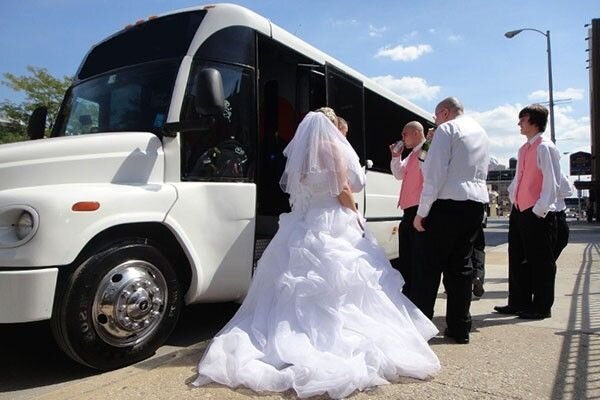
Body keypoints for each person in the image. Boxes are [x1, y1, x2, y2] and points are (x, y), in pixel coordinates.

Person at [193, 111, 440, 399]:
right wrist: (355, 214)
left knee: (293, 282)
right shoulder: (334, 148)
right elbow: (342, 188)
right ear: (332, 126)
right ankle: (330, 337)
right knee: (343, 282)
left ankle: (289, 335)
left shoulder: (302, 152)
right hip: (333, 219)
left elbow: (296, 192)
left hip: (304, 218)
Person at [412, 97, 490, 344]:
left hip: (448, 204)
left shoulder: (447, 129)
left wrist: (422, 211)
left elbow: (434, 174)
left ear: (444, 113)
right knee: (461, 266)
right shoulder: (480, 131)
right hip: (475, 204)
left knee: (429, 267)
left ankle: (422, 327)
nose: (435, 122)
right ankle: (460, 327)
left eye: (436, 116)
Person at [494, 104, 561, 320]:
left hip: (536, 212)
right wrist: (514, 199)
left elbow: (552, 182)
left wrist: (539, 210)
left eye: (522, 119)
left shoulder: (545, 147)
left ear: (533, 121)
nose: (519, 124)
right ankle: (518, 302)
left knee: (541, 261)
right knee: (517, 257)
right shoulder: (524, 149)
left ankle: (541, 306)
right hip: (519, 210)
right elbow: (519, 177)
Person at [390, 121, 426, 300]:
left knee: (416, 256)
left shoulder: (426, 149)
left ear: (417, 132)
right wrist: (396, 156)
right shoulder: (412, 153)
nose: (402, 137)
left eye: (405, 134)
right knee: (406, 255)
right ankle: (409, 291)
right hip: (408, 210)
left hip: (419, 210)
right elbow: (398, 174)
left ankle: (415, 293)